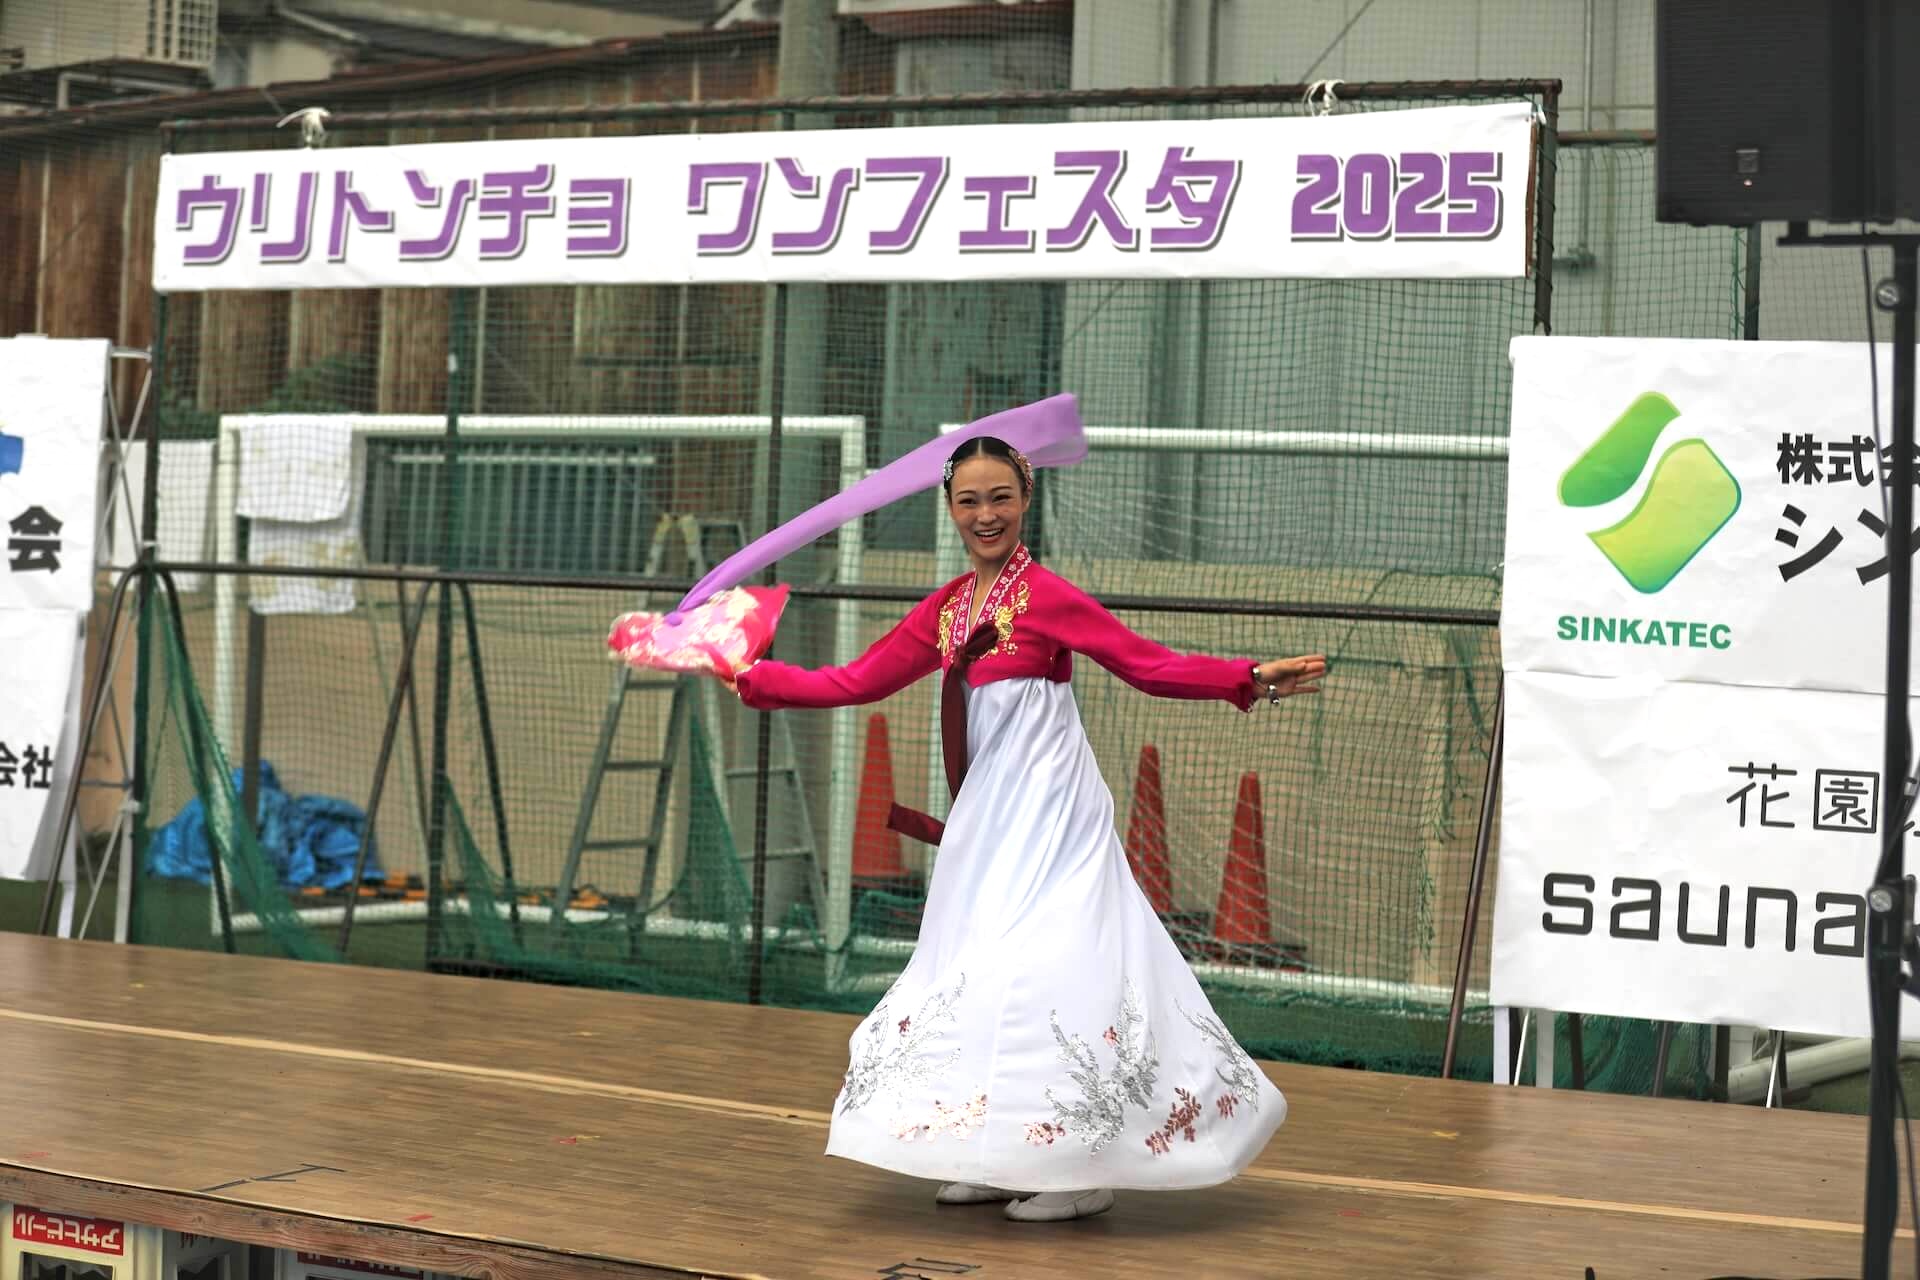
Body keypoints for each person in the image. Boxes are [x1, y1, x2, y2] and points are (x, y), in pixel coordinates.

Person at [726, 434, 1325, 1223]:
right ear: (950, 507)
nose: (986, 514)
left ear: (1026, 499)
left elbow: (1146, 665)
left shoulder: (1046, 596)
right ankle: (992, 1150)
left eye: (1000, 498)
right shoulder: (946, 609)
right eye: (969, 500)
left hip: (1055, 815)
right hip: (989, 819)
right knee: (977, 970)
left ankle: (1077, 1170)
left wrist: (1247, 679)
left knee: (1050, 972)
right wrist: (751, 677)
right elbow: (855, 680)